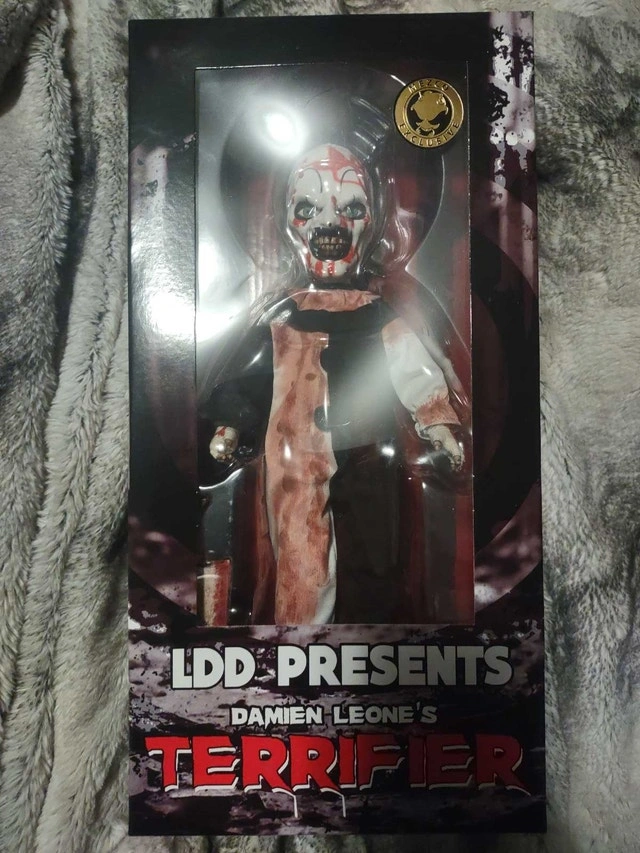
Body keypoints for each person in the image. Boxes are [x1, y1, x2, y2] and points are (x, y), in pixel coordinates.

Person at [203, 143, 463, 625]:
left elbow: (412, 367)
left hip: (367, 449)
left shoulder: (378, 315)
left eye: (351, 208)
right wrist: (230, 425)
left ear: (372, 224)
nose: (330, 223)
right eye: (308, 208)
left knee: (375, 550)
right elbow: (251, 377)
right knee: (299, 554)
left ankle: (370, 640)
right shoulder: (282, 318)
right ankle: (299, 642)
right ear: (290, 224)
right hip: (293, 453)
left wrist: (438, 423)